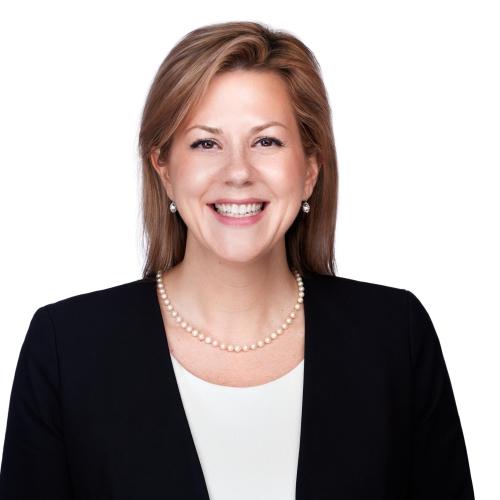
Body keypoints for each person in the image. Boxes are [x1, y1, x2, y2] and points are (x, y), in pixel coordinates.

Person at [0, 21, 474, 500]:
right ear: (164, 169)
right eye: (206, 143)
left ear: (310, 169)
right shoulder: (66, 348)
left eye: (266, 141)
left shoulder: (394, 336)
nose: (238, 172)